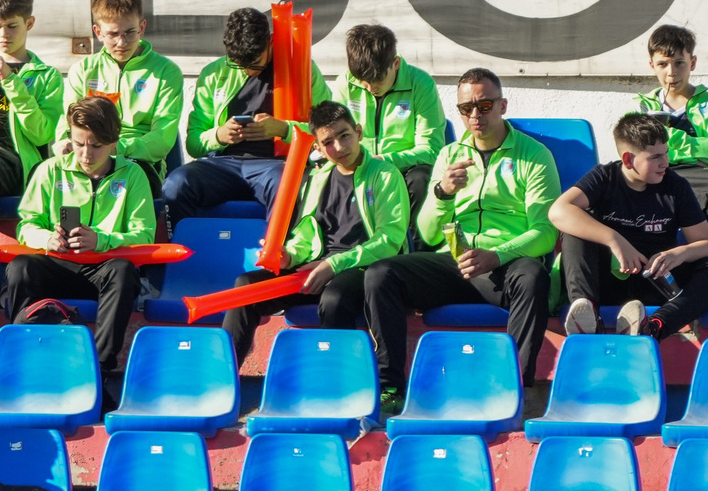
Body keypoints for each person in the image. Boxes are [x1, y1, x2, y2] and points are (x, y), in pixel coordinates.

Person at [363, 68, 561, 410]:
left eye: (484, 106)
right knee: (380, 275)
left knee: (533, 277)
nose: (474, 116)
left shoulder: (534, 155)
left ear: (502, 105)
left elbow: (545, 233)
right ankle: (390, 388)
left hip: (505, 265)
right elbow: (425, 233)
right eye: (465, 109)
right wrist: (441, 193)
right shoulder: (449, 155)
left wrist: (496, 255)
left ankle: (513, 390)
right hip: (454, 261)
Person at [218, 101, 408, 360]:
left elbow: (389, 241)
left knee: (334, 298)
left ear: (359, 132)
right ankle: (223, 377)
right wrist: (290, 256)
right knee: (246, 287)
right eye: (328, 142)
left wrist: (333, 264)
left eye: (345, 136)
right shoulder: (318, 178)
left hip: (362, 270)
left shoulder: (386, 175)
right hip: (316, 269)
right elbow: (307, 234)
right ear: (318, 147)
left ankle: (335, 382)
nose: (339, 148)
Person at [1, 96, 158, 400]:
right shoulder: (49, 170)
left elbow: (144, 235)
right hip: (58, 263)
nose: (86, 154)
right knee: (21, 268)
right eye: (78, 143)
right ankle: (24, 357)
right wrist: (46, 238)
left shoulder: (133, 175)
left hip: (105, 266)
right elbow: (26, 224)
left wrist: (101, 240)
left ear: (114, 142)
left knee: (124, 272)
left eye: (96, 145)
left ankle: (97, 372)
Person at [551, 113, 708, 339]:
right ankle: (586, 313)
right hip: (608, 280)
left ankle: (653, 327)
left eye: (666, 153)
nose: (665, 162)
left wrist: (679, 253)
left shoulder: (676, 186)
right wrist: (615, 240)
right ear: (628, 160)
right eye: (655, 157)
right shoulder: (604, 177)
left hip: (655, 282)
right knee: (574, 226)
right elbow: (558, 210)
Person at [164, 6, 336, 230]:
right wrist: (219, 135)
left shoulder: (302, 70)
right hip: (223, 164)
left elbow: (327, 131)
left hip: (275, 165)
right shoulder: (213, 74)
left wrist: (283, 129)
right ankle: (186, 257)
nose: (246, 70)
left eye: (254, 63)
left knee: (285, 184)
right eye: (238, 63)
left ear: (270, 42)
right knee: (176, 183)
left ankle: (277, 259)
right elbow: (194, 144)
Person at [64, 0, 183, 198]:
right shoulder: (82, 71)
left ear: (142, 28)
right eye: (112, 34)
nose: (122, 42)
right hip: (87, 155)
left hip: (140, 162)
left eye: (129, 32)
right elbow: (65, 127)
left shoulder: (166, 72)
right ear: (98, 32)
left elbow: (163, 138)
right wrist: (64, 146)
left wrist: (116, 148)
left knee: (120, 180)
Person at [637, 24, 708, 250]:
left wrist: (669, 137)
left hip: (699, 178)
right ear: (652, 66)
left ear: (692, 63)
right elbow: (634, 154)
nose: (671, 72)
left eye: (679, 63)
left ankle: (706, 260)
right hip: (655, 176)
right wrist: (699, 153)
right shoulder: (641, 107)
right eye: (662, 64)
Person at [339, 21, 447, 230]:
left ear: (396, 63)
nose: (371, 88)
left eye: (378, 79)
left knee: (421, 177)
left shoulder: (421, 84)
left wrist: (385, 160)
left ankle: (416, 253)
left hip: (404, 171)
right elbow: (333, 134)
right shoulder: (345, 82)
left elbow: (432, 150)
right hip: (358, 169)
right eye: (363, 81)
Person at [0, 0, 66, 204]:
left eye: (12, 26)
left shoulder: (47, 76)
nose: (4, 34)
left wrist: (10, 80)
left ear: (29, 23)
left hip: (11, 160)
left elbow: (41, 135)